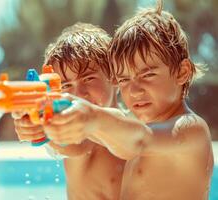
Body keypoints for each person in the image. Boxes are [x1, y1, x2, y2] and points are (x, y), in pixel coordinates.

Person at [43, 1, 214, 199]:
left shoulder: (191, 129)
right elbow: (84, 141)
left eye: (148, 75)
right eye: (124, 79)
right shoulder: (136, 128)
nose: (134, 90)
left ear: (182, 72)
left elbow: (141, 139)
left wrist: (90, 116)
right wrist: (42, 128)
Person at [12, 23, 125, 200]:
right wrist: (32, 121)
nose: (78, 94)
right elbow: (72, 144)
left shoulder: (126, 127)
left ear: (116, 77)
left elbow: (83, 140)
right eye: (66, 85)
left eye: (88, 78)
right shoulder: (69, 133)